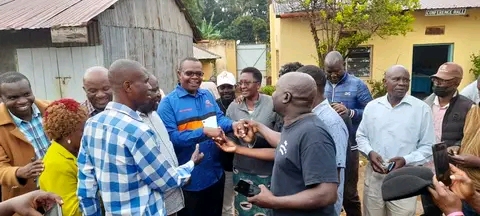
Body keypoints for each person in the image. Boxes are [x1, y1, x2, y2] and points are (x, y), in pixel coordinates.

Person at [77, 59, 203, 216]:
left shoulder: (92, 125)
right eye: (145, 81)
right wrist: (191, 164)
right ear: (128, 86)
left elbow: (86, 188)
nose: (149, 87)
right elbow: (165, 180)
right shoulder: (138, 131)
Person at [216, 72, 339, 215]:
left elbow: (327, 194)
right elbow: (285, 142)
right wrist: (257, 127)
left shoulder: (314, 134)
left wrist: (273, 202)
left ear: (286, 97)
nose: (272, 94)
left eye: (276, 90)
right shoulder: (296, 125)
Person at [158, 57, 244, 216]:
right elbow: (171, 139)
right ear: (179, 74)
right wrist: (203, 132)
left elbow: (219, 118)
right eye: (189, 73)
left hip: (216, 174)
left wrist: (233, 124)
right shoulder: (168, 103)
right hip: (191, 180)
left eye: (198, 73)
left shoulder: (207, 96)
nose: (195, 77)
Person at [356, 65, 435, 216]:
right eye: (396, 79)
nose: (402, 83)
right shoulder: (372, 107)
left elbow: (427, 146)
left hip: (404, 178)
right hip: (375, 175)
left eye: (406, 80)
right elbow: (361, 136)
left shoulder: (421, 109)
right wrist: (370, 152)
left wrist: (406, 160)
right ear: (385, 82)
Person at [226, 67, 282, 216]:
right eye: (240, 83)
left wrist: (255, 138)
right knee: (243, 210)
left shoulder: (272, 104)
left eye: (247, 83)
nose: (243, 86)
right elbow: (230, 135)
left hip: (267, 170)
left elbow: (280, 136)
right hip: (241, 169)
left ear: (258, 85)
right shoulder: (233, 107)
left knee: (267, 210)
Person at [422, 62, 474, 216]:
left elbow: (470, 138)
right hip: (427, 169)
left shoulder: (468, 107)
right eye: (436, 80)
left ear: (457, 82)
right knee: (430, 210)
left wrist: (457, 146)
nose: (438, 83)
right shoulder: (425, 104)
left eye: (444, 81)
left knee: (454, 210)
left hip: (453, 173)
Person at [324, 51, 372, 216]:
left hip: (350, 147)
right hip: (326, 147)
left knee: (349, 193)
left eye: (336, 71)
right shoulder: (322, 85)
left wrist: (350, 112)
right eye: (329, 71)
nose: (333, 75)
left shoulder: (357, 84)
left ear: (343, 66)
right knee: (328, 190)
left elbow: (371, 111)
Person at [297, 65, 349, 216]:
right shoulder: (309, 117)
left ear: (308, 88)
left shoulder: (331, 122)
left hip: (324, 208)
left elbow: (336, 171)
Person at [137, 74, 184, 216]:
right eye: (153, 90)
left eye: (158, 89)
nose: (158, 95)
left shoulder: (155, 115)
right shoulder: (134, 123)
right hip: (154, 204)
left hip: (172, 196)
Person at [0, 72, 50, 201]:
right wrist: (19, 172)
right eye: (13, 98)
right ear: (2, 98)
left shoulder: (51, 110)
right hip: (26, 199)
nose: (22, 101)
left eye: (27, 94)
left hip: (61, 186)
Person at [39, 98, 88, 216]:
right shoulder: (57, 165)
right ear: (68, 134)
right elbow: (70, 211)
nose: (88, 133)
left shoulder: (71, 153)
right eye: (83, 130)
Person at [450, 101, 480, 215]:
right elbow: (467, 137)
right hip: (465, 187)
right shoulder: (474, 111)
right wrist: (458, 147)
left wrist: (477, 162)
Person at [215, 71, 237, 216]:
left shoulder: (241, 102)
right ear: (218, 90)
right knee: (227, 201)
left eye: (229, 86)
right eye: (222, 87)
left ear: (235, 87)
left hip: (246, 161)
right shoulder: (214, 105)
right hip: (225, 161)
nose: (226, 90)